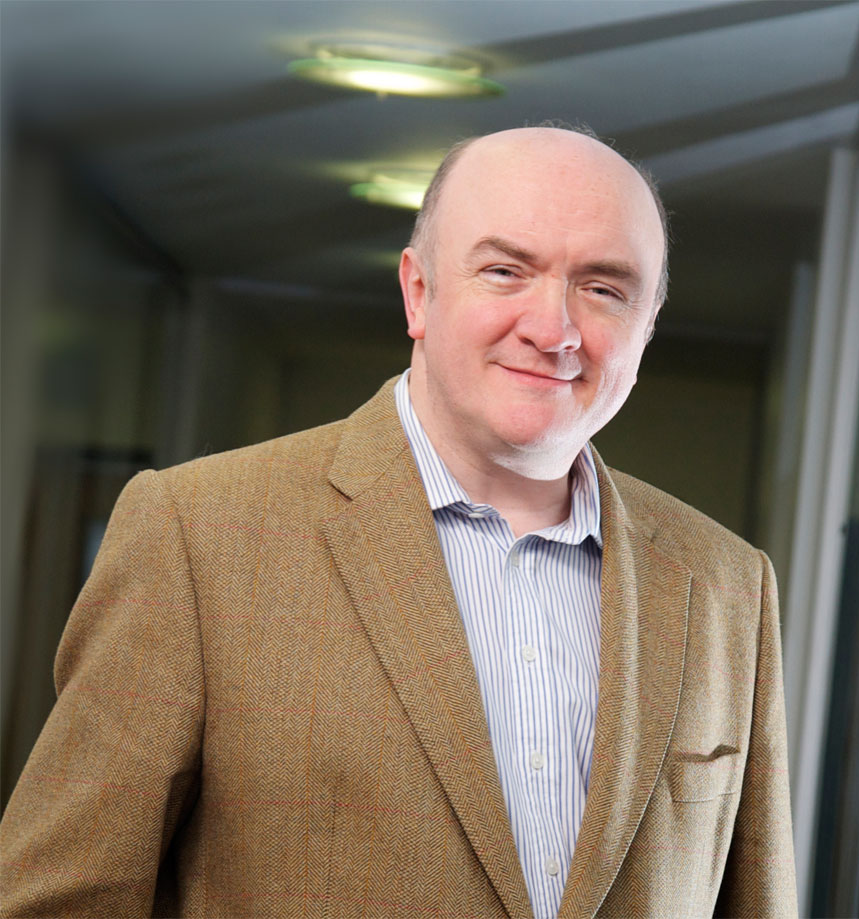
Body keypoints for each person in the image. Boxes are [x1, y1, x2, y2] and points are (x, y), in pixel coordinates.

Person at [0, 126, 797, 918]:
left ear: (646, 324)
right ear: (418, 292)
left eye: (603, 289)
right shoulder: (198, 535)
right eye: (504, 271)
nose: (552, 329)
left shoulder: (728, 588)